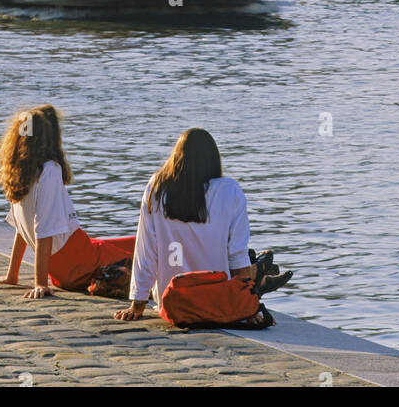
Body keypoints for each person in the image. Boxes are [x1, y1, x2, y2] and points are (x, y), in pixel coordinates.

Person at [113, 128, 277, 327]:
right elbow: (237, 254)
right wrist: (245, 307)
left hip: (171, 301)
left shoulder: (157, 187)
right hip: (216, 298)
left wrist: (137, 305)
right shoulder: (229, 190)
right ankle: (257, 271)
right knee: (245, 256)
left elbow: (146, 251)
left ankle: (258, 269)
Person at [0, 105, 136, 298]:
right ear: (48, 137)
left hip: (66, 266)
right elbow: (44, 229)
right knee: (150, 250)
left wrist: (12, 275)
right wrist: (40, 283)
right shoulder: (49, 171)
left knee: (134, 242)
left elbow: (21, 229)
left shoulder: (19, 173)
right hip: (78, 263)